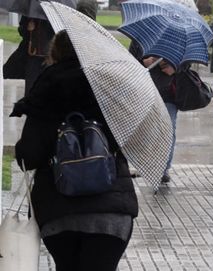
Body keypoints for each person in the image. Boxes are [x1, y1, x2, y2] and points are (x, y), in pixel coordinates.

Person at [12, 30, 138, 271]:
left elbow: (29, 157)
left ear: (55, 52)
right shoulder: (111, 89)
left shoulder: (44, 90)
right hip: (111, 211)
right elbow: (130, 142)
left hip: (58, 212)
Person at [129, 41, 206, 185]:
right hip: (144, 90)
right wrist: (146, 61)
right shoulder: (141, 38)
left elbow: (187, 60)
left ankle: (163, 170)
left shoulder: (180, 37)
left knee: (168, 130)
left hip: (168, 93)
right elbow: (130, 60)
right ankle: (147, 165)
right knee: (146, 131)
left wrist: (174, 67)